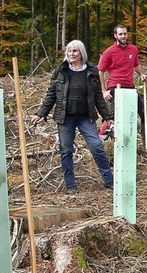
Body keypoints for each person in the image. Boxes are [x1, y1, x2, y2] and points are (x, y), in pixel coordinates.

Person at [32, 40, 114, 195]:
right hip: (65, 117)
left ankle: (109, 180)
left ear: (81, 53)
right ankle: (71, 185)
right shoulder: (61, 71)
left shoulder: (91, 71)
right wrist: (41, 113)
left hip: (85, 117)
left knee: (96, 146)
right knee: (66, 151)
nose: (71, 54)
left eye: (75, 51)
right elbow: (51, 94)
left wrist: (107, 116)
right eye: (69, 51)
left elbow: (97, 96)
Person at [98, 24, 147, 143]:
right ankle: (107, 144)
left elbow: (136, 65)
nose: (123, 36)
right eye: (120, 34)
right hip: (114, 88)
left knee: (146, 114)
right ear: (115, 35)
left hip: (130, 89)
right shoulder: (109, 52)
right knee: (110, 119)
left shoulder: (133, 49)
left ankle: (146, 143)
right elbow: (100, 71)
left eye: (125, 34)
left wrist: (142, 74)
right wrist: (103, 91)